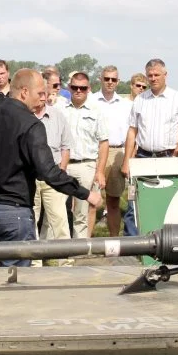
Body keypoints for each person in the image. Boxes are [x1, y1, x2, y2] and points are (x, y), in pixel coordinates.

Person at [0, 69, 102, 267]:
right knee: (15, 278)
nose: (44, 98)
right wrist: (85, 193)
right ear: (24, 92)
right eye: (40, 93)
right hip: (14, 211)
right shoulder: (31, 125)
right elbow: (48, 171)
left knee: (1, 275)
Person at [121, 59, 178, 235]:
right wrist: (127, 161)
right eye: (150, 75)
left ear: (165, 75)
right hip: (143, 157)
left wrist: (177, 153)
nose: (153, 78)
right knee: (134, 203)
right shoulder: (140, 100)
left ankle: (169, 242)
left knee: (169, 202)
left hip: (169, 157)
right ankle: (132, 244)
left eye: (157, 75)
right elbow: (132, 132)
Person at [62, 72, 108, 241]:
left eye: (82, 88)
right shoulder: (61, 110)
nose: (78, 91)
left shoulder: (97, 111)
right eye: (75, 87)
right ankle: (59, 248)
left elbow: (104, 143)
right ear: (69, 87)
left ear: (88, 89)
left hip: (86, 165)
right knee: (60, 210)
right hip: (64, 166)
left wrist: (100, 171)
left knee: (81, 212)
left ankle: (79, 250)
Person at [31, 90, 73, 245]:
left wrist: (61, 170)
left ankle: (67, 262)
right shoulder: (24, 116)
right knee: (31, 221)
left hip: (53, 175)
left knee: (60, 222)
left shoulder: (58, 116)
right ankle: (34, 264)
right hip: (30, 177)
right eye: (38, 92)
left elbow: (66, 147)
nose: (41, 96)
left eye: (44, 93)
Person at [94, 65, 131, 236]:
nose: (110, 82)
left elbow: (131, 132)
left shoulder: (126, 105)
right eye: (106, 78)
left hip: (117, 151)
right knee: (90, 200)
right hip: (95, 152)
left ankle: (114, 242)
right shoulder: (91, 101)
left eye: (113, 79)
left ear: (118, 82)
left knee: (114, 201)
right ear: (100, 79)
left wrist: (127, 159)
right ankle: (86, 245)